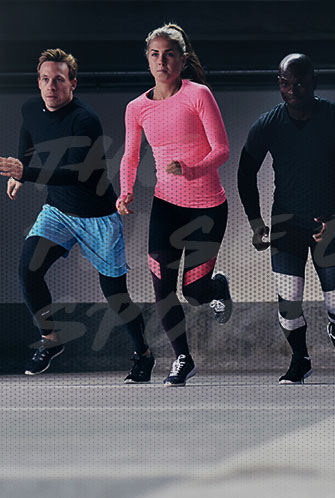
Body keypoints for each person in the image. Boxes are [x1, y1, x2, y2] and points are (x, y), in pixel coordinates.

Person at [0, 48, 153, 382]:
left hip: (98, 216)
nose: (51, 87)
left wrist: (26, 173)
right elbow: (28, 136)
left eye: (59, 80)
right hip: (58, 212)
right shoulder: (31, 109)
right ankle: (50, 339)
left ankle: (143, 353)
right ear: (38, 83)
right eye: (45, 80)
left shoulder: (85, 120)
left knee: (115, 294)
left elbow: (78, 174)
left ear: (72, 84)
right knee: (28, 269)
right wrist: (19, 171)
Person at [237, 53, 335, 382]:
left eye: (300, 83)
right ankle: (300, 358)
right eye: (286, 83)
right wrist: (255, 222)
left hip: (329, 226)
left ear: (314, 82)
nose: (293, 90)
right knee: (288, 304)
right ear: (279, 84)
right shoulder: (268, 124)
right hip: (286, 225)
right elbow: (245, 173)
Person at [117, 23, 233, 386]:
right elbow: (130, 156)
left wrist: (191, 169)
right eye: (155, 55)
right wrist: (125, 191)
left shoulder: (198, 94)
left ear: (182, 59)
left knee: (193, 292)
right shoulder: (136, 107)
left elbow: (222, 150)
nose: (161, 61)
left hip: (207, 208)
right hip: (166, 207)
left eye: (169, 55)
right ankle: (183, 358)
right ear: (147, 59)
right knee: (162, 287)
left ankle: (217, 288)